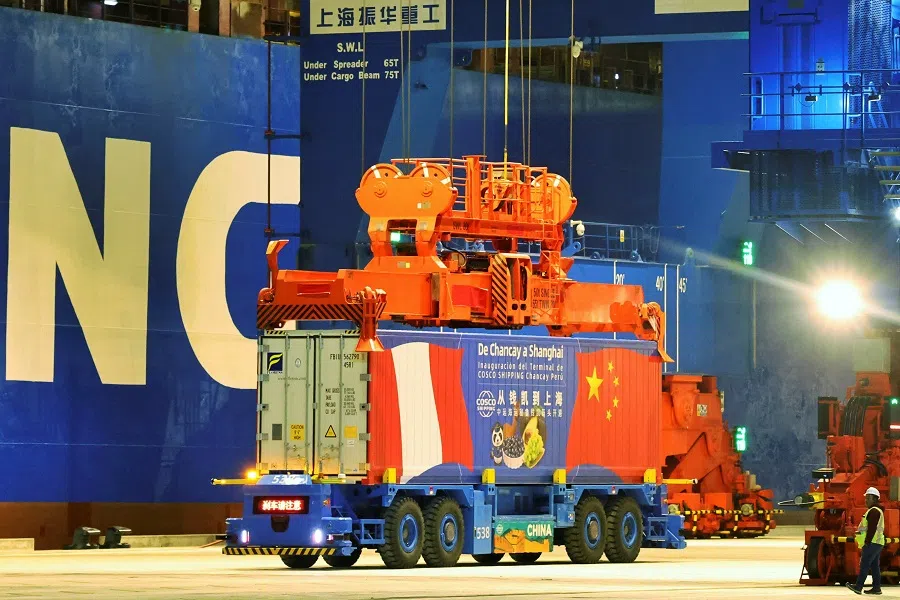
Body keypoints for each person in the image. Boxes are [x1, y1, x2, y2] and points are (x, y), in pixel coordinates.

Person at [847, 487, 884, 595]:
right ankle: (877, 588)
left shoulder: (873, 511)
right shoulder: (877, 511)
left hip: (872, 543)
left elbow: (871, 528)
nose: (866, 500)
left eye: (868, 498)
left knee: (864, 564)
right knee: (874, 566)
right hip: (877, 543)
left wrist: (867, 542)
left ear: (874, 499)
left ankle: (858, 587)